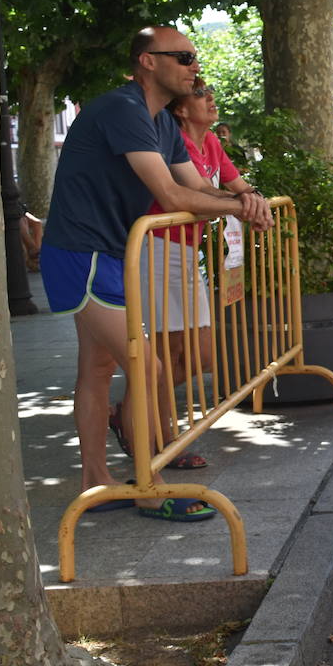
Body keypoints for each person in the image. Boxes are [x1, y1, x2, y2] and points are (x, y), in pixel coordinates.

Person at [40, 25, 272, 521]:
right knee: (148, 366)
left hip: (107, 252)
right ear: (148, 61)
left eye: (194, 58)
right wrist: (238, 205)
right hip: (80, 255)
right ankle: (148, 484)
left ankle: (95, 482)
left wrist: (239, 200)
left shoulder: (162, 124)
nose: (195, 67)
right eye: (184, 57)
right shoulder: (123, 109)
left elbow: (196, 188)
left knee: (98, 369)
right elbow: (172, 197)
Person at [111, 76, 262, 473]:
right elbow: (188, 195)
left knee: (203, 355)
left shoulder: (211, 142)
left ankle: (130, 412)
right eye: (201, 95)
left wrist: (252, 201)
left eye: (212, 93)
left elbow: (236, 187)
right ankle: (162, 440)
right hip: (157, 248)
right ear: (181, 108)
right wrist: (239, 204)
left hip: (185, 251)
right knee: (167, 354)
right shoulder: (172, 141)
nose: (212, 99)